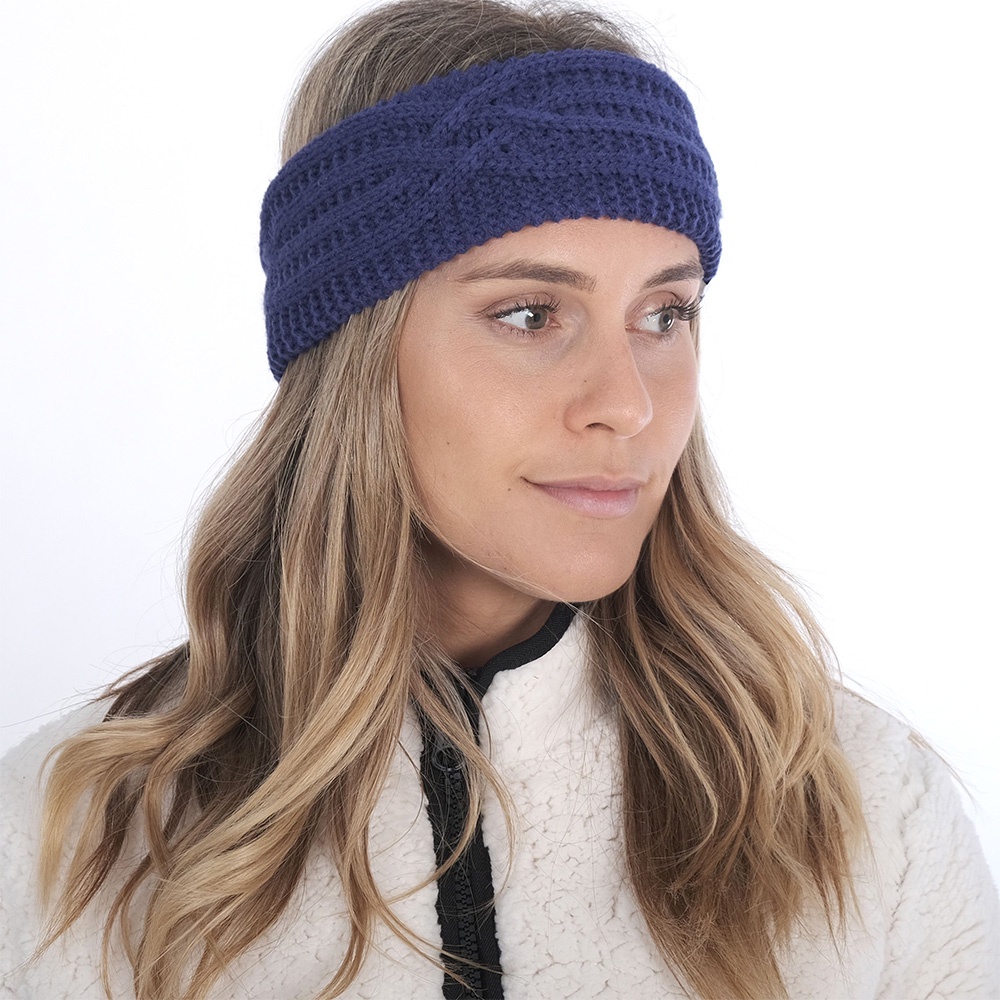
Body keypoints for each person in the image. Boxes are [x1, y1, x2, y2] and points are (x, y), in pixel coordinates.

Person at [1, 0, 997, 998]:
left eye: (664, 313)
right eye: (528, 313)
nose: (626, 403)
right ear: (354, 350)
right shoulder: (69, 850)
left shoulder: (866, 816)